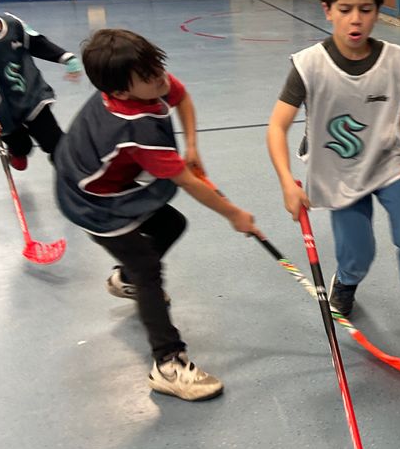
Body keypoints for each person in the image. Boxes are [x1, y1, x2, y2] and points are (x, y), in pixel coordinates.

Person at [55, 29, 260, 401]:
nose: (160, 78)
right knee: (148, 267)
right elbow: (187, 183)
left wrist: (193, 146)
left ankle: (124, 278)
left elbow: (181, 98)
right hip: (93, 201)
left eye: (157, 66)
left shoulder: (145, 81)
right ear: (119, 92)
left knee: (171, 223)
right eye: (149, 76)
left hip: (109, 182)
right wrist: (234, 214)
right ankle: (168, 364)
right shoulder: (136, 128)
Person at [266, 0, 400, 361]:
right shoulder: (308, 66)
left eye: (365, 10)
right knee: (359, 250)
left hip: (388, 163)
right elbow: (276, 127)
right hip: (338, 171)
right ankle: (347, 280)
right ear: (327, 10)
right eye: (345, 9)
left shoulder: (391, 62)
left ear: (377, 11)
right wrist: (286, 182)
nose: (356, 20)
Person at [0, 0, 81, 167]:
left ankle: (70, 174)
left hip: (31, 97)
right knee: (22, 146)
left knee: (56, 142)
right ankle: (17, 151)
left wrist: (65, 57)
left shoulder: (13, 25)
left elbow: (37, 42)